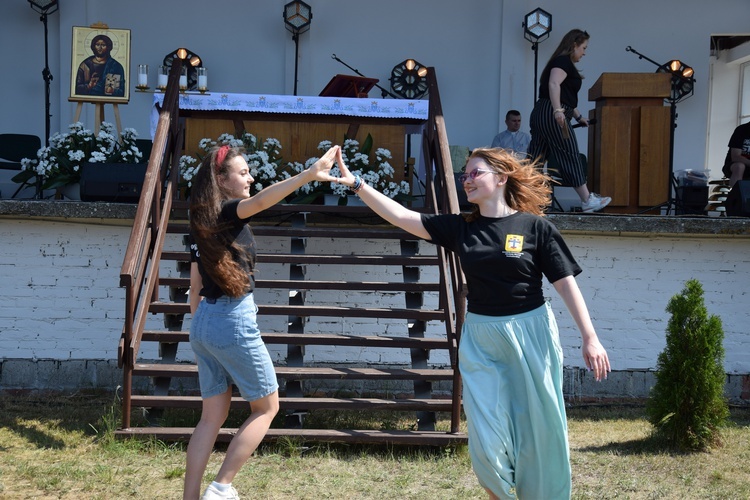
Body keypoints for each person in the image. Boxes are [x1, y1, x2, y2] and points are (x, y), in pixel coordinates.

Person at [329, 146, 610, 499]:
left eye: (475, 173)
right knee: (486, 436)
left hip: (530, 334)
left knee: (539, 428)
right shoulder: (461, 227)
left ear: (501, 178)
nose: (467, 180)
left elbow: (566, 283)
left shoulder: (536, 228)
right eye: (465, 175)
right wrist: (357, 184)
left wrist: (590, 337)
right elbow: (402, 217)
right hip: (480, 337)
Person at [185, 144, 342, 500]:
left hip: (203, 322)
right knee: (267, 407)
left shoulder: (199, 221)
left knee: (210, 418)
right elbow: (263, 201)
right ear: (222, 181)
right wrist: (309, 174)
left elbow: (194, 287)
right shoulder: (227, 212)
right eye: (243, 173)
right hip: (231, 318)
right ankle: (221, 488)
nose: (251, 177)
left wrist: (204, 331)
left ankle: (190, 498)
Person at [527, 29, 611, 213]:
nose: (584, 52)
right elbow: (554, 85)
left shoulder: (560, 62)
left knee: (536, 158)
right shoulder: (563, 61)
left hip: (543, 111)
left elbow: (565, 97)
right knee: (569, 152)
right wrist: (558, 111)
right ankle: (587, 199)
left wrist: (579, 117)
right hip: (551, 112)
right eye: (583, 47)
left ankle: (522, 199)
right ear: (574, 45)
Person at [722, 121, 750, 187]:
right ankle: (736, 194)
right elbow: (735, 156)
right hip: (735, 164)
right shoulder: (742, 129)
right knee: (739, 166)